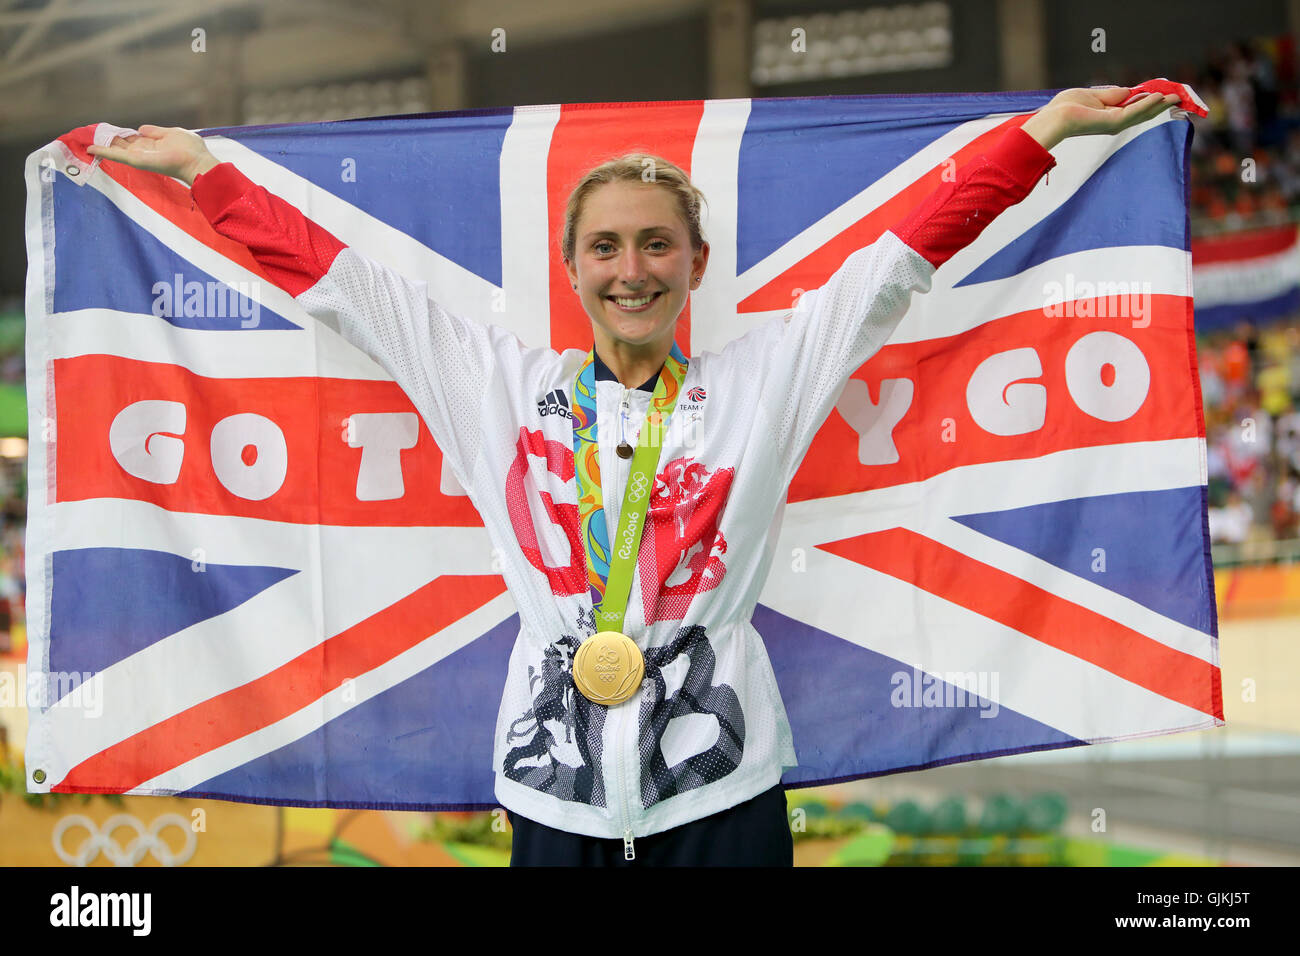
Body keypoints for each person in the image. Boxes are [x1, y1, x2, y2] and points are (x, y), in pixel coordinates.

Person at [87, 85, 1184, 866]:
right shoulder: (497, 385)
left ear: (695, 264)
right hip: (551, 800)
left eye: (657, 244)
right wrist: (202, 172)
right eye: (606, 247)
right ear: (570, 269)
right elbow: (341, 284)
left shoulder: (766, 380)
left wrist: (1039, 136)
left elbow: (891, 265)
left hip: (724, 798)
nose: (631, 270)